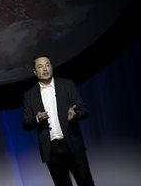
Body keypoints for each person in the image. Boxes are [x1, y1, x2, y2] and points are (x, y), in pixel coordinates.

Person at [22, 54, 95, 186]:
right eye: (40, 66)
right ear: (35, 71)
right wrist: (38, 118)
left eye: (47, 65)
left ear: (52, 67)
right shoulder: (29, 95)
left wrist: (75, 114)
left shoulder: (67, 84)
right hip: (52, 151)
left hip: (73, 144)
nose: (45, 69)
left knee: (86, 182)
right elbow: (26, 123)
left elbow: (84, 110)